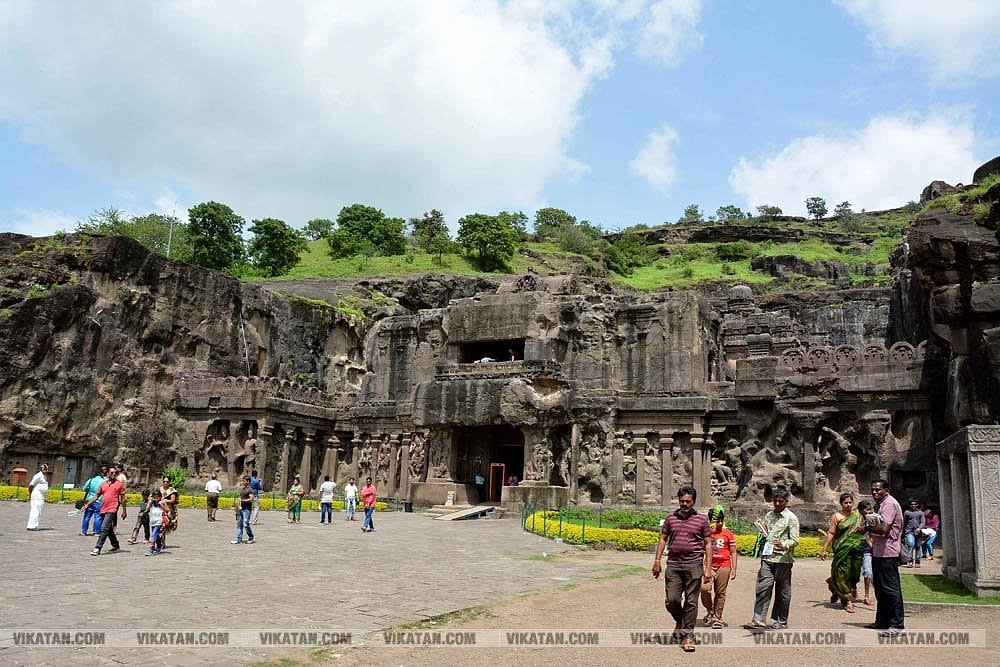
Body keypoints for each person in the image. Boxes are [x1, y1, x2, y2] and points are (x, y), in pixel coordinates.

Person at [651, 485, 713, 653]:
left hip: (694, 564)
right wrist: (657, 560)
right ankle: (680, 620)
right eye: (682, 501)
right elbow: (663, 539)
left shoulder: (701, 520)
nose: (685, 504)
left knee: (691, 601)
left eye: (688, 501)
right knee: (672, 600)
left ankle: (688, 636)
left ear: (694, 501)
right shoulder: (671, 518)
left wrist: (708, 568)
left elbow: (708, 544)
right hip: (674, 564)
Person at [744, 486, 799, 631]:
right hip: (767, 558)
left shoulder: (791, 518)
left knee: (783, 592)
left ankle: (781, 621)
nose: (777, 504)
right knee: (763, 587)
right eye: (775, 501)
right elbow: (767, 534)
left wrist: (783, 544)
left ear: (786, 501)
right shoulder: (769, 515)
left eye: (781, 501)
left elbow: (795, 540)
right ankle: (758, 619)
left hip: (783, 560)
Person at [867, 478, 905, 636]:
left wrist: (867, 527)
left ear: (886, 490)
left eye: (878, 490)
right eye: (873, 490)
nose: (875, 492)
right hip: (878, 551)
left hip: (888, 552)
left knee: (890, 588)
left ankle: (897, 624)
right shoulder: (880, 505)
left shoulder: (889, 504)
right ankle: (882, 620)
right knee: (881, 589)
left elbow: (884, 529)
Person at [819, 492, 865, 613]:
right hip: (842, 550)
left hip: (856, 550)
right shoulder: (837, 516)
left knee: (854, 574)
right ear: (841, 504)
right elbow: (831, 533)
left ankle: (833, 584)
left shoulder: (858, 515)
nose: (848, 505)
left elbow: (864, 531)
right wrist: (824, 549)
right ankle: (847, 601)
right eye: (845, 503)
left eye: (850, 502)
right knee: (842, 573)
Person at [701, 505, 738, 629]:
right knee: (704, 589)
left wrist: (734, 569)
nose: (720, 523)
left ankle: (718, 617)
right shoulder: (706, 533)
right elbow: (700, 548)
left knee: (720, 592)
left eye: (722, 520)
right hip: (709, 565)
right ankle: (710, 610)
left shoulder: (728, 533)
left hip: (724, 565)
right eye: (718, 520)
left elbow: (733, 552)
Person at [85, 464, 127, 556]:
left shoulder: (119, 485)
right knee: (108, 529)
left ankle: (98, 547)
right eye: (111, 473)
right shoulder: (103, 484)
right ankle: (115, 545)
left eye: (115, 473)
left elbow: (123, 499)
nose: (113, 474)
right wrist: (87, 504)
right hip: (103, 508)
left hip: (112, 508)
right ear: (107, 474)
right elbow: (96, 496)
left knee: (104, 528)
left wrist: (124, 511)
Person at [857, 499, 875, 606]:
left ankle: (866, 596)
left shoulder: (872, 520)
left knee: (868, 572)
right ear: (860, 510)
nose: (868, 512)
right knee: (854, 572)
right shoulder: (856, 520)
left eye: (869, 509)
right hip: (856, 548)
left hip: (867, 550)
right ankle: (853, 591)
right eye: (866, 510)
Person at [80, 466, 108, 536]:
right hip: (99, 500)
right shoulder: (104, 481)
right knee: (97, 517)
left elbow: (84, 489)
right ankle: (96, 532)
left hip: (89, 500)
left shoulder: (91, 480)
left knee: (87, 516)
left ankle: (84, 531)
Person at [26, 463, 50, 530]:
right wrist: (30, 494)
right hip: (36, 496)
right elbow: (31, 485)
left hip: (41, 496)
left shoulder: (44, 476)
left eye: (47, 469)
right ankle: (32, 526)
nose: (46, 470)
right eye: (45, 469)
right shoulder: (38, 476)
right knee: (35, 510)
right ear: (42, 469)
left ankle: (34, 525)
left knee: (39, 511)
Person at [232, 476, 255, 544]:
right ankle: (239, 539)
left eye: (244, 481)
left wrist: (242, 500)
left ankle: (251, 537)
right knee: (239, 524)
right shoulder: (242, 489)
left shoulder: (250, 490)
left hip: (246, 509)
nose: (243, 482)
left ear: (248, 481)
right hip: (241, 508)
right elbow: (240, 498)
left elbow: (251, 499)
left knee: (246, 524)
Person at [903, 498, 925, 568]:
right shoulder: (907, 512)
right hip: (909, 531)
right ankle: (910, 561)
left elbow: (923, 522)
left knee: (918, 546)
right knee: (911, 545)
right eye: (912, 504)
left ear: (917, 505)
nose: (913, 506)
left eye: (915, 504)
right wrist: (903, 532)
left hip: (918, 531)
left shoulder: (920, 513)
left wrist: (919, 528)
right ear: (909, 505)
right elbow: (904, 522)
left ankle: (917, 561)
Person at [159, 475, 179, 548]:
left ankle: (162, 542)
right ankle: (161, 542)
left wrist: (166, 500)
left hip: (168, 510)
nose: (165, 483)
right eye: (164, 481)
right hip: (160, 509)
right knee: (159, 525)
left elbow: (173, 500)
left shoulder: (172, 490)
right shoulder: (160, 489)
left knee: (164, 526)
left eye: (167, 481)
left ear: (169, 482)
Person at [146, 489, 166, 556]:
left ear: (160, 497)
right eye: (155, 498)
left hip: (159, 521)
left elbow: (167, 510)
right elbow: (147, 509)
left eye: (157, 498)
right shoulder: (152, 503)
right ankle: (159, 545)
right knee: (156, 535)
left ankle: (152, 549)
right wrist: (149, 502)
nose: (156, 499)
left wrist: (161, 505)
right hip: (153, 521)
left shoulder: (162, 503)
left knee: (153, 534)